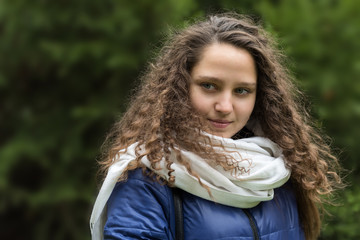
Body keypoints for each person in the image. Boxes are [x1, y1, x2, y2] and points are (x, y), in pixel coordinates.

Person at [90, 13, 342, 240]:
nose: (224, 106)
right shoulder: (148, 175)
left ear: (260, 97)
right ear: (180, 87)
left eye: (242, 91)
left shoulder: (277, 171)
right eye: (209, 86)